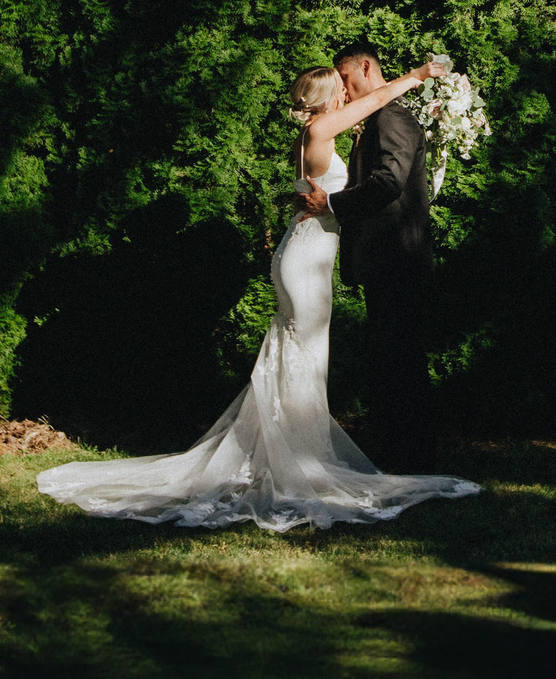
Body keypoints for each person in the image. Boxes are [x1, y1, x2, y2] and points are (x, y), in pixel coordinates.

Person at [32, 60, 478, 531]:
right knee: (304, 355)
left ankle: (292, 456)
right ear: (327, 99)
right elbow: (374, 101)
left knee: (298, 356)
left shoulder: (314, 132)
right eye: (341, 89)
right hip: (306, 262)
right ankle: (300, 464)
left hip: (304, 255)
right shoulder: (322, 126)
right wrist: (418, 75)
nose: (349, 95)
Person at [298, 44, 440, 473]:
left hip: (399, 256)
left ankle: (409, 455)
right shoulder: (372, 117)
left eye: (344, 76)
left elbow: (389, 182)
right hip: (386, 260)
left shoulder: (391, 116)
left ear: (365, 67)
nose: (341, 86)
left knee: (400, 357)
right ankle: (399, 450)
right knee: (390, 355)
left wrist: (334, 205)